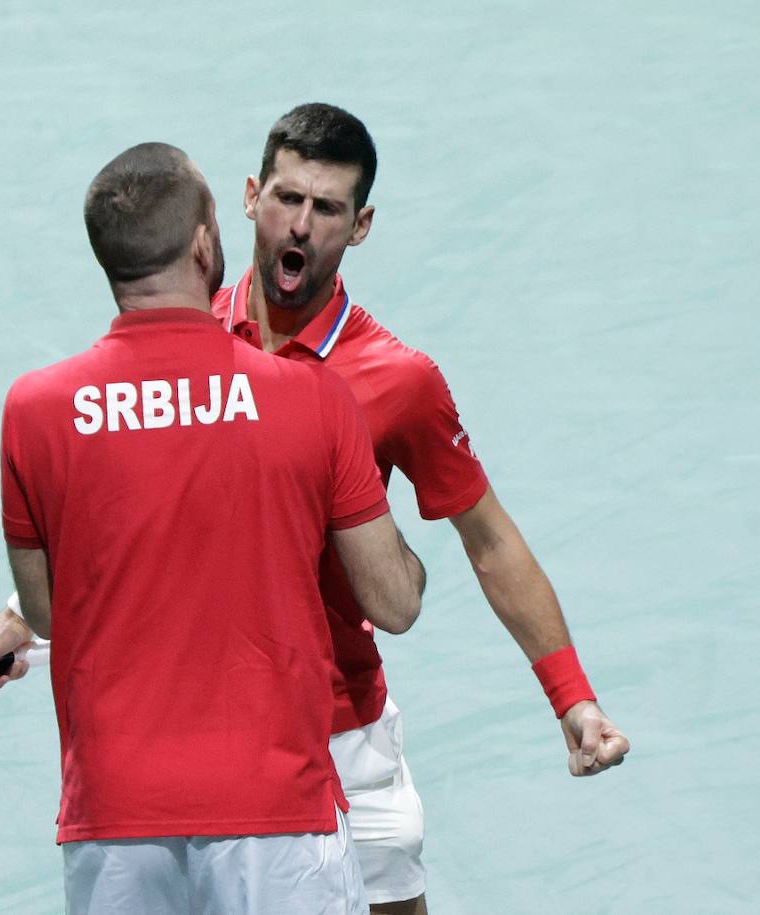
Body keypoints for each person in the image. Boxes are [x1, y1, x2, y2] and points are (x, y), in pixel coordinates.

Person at [0, 141, 426, 915]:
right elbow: (395, 602)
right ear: (207, 243)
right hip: (275, 812)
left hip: (113, 817)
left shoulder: (34, 409)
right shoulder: (311, 397)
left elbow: (47, 613)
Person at [209, 103, 632, 915]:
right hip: (212, 727)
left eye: (327, 209)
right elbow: (112, 507)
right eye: (286, 199)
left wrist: (571, 696)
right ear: (251, 196)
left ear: (360, 225)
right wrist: (21, 618)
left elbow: (491, 540)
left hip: (343, 725)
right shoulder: (182, 346)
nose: (300, 225)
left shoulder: (398, 380)